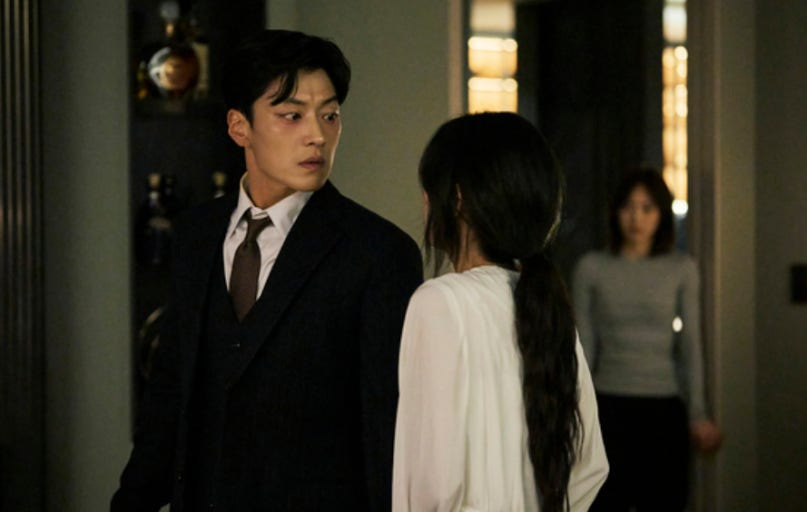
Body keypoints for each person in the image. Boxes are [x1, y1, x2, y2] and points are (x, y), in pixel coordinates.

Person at [111, 29, 423, 511]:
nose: (317, 135)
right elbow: (170, 398)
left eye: (330, 115)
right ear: (240, 127)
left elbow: (386, 429)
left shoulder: (379, 253)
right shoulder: (196, 234)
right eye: (292, 115)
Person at [392, 112, 609, 512]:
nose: (424, 203)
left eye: (429, 188)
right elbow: (589, 467)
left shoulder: (439, 301)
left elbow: (434, 486)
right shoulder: (545, 306)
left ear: (458, 199)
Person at [572, 168, 723, 511]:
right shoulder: (591, 268)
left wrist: (698, 413)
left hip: (663, 407)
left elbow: (690, 346)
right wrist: (578, 410)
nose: (636, 218)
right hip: (609, 405)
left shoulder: (681, 268)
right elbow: (584, 346)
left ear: (661, 214)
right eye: (628, 206)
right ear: (615, 212)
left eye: (647, 208)